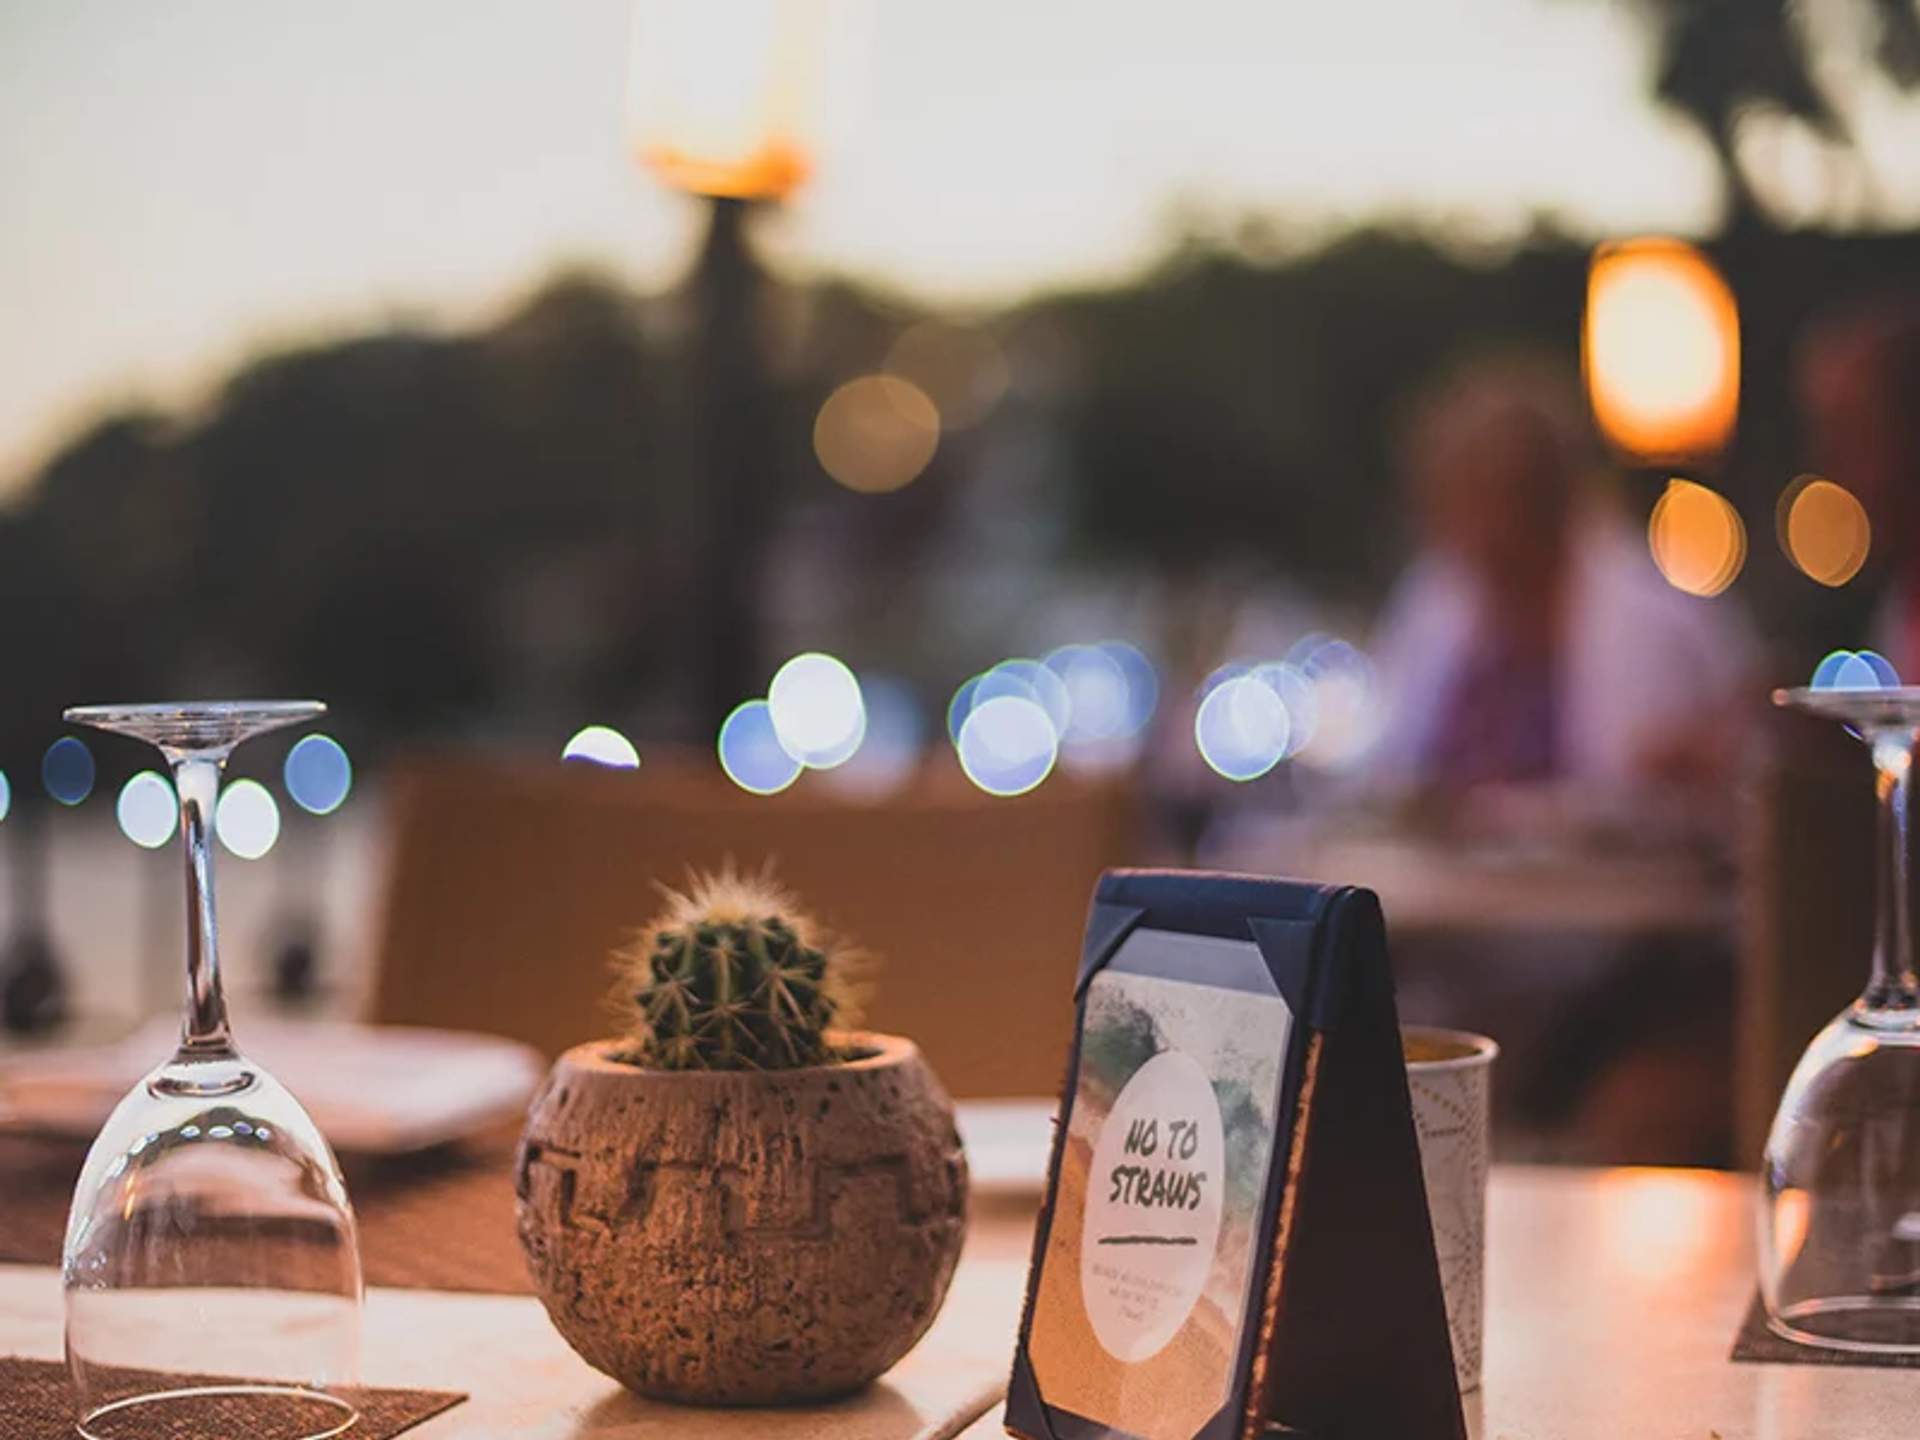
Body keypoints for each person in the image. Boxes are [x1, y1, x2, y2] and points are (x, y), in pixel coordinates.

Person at [1370, 355, 1753, 803]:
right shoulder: (1433, 597)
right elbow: (1387, 769)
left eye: (1492, 497)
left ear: (1550, 496)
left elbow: (1731, 760)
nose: (1472, 529)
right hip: (1447, 872)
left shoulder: (1657, 614)